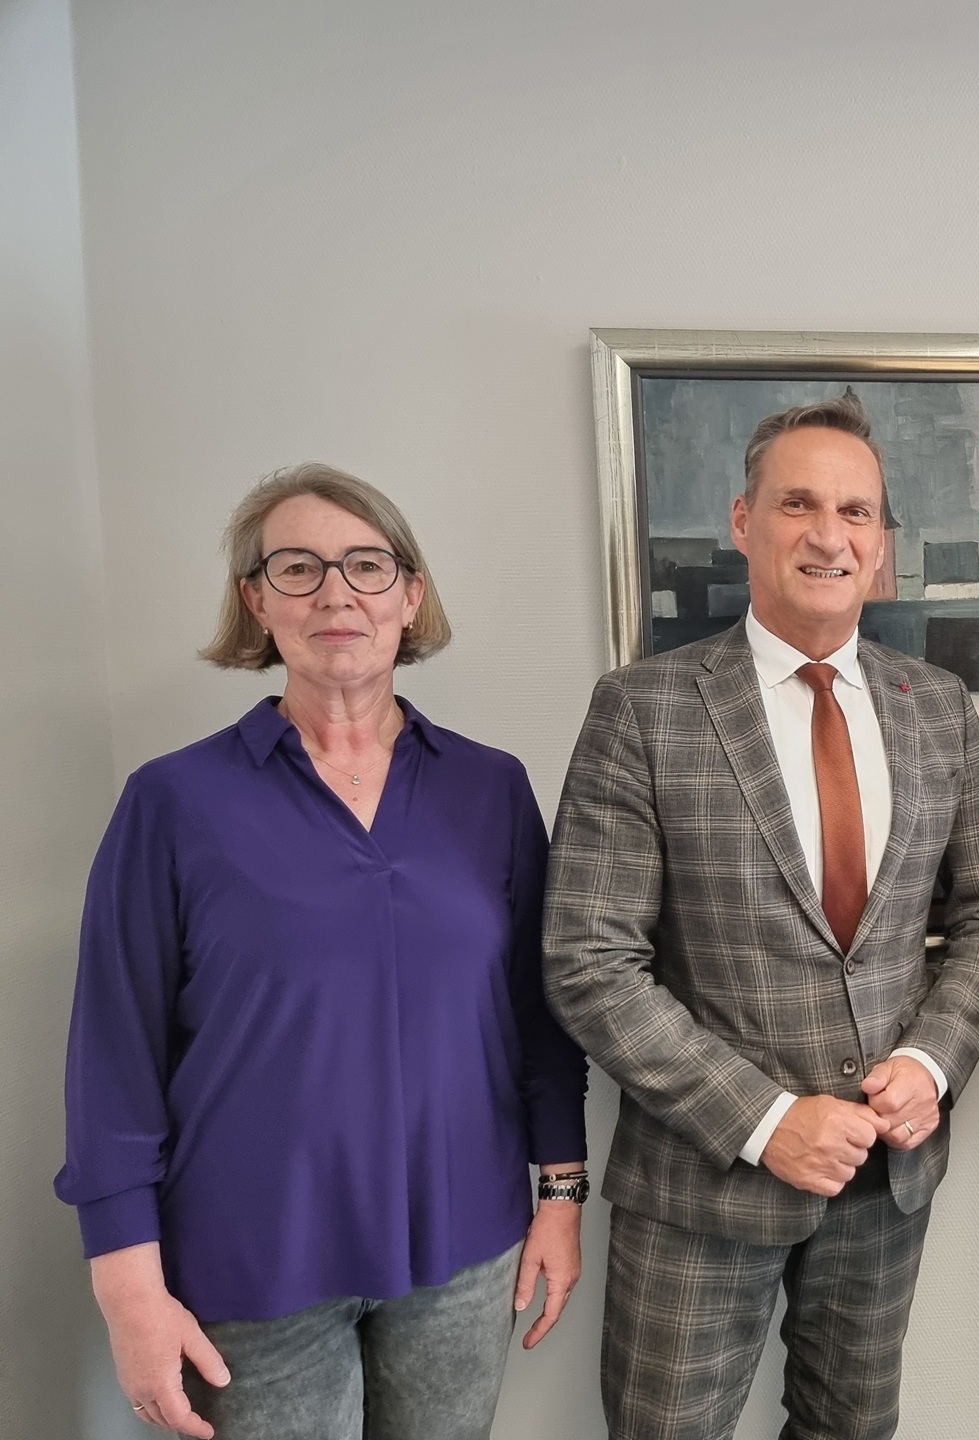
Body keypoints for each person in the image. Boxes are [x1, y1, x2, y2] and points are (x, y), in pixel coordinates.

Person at [56, 464, 590, 1440]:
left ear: (411, 595)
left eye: (367, 565)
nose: (336, 593)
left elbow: (539, 1022)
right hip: (255, 1262)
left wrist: (561, 1196)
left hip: (465, 1252)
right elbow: (113, 1058)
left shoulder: (491, 790)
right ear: (256, 601)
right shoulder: (174, 803)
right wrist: (127, 1286)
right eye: (297, 568)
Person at [543, 392, 979, 1440]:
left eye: (857, 513)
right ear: (742, 521)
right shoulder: (645, 707)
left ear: (882, 542)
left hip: (883, 1180)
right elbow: (589, 960)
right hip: (700, 1183)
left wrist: (932, 1064)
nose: (829, 534)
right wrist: (768, 1123)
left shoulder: (935, 705)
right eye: (799, 504)